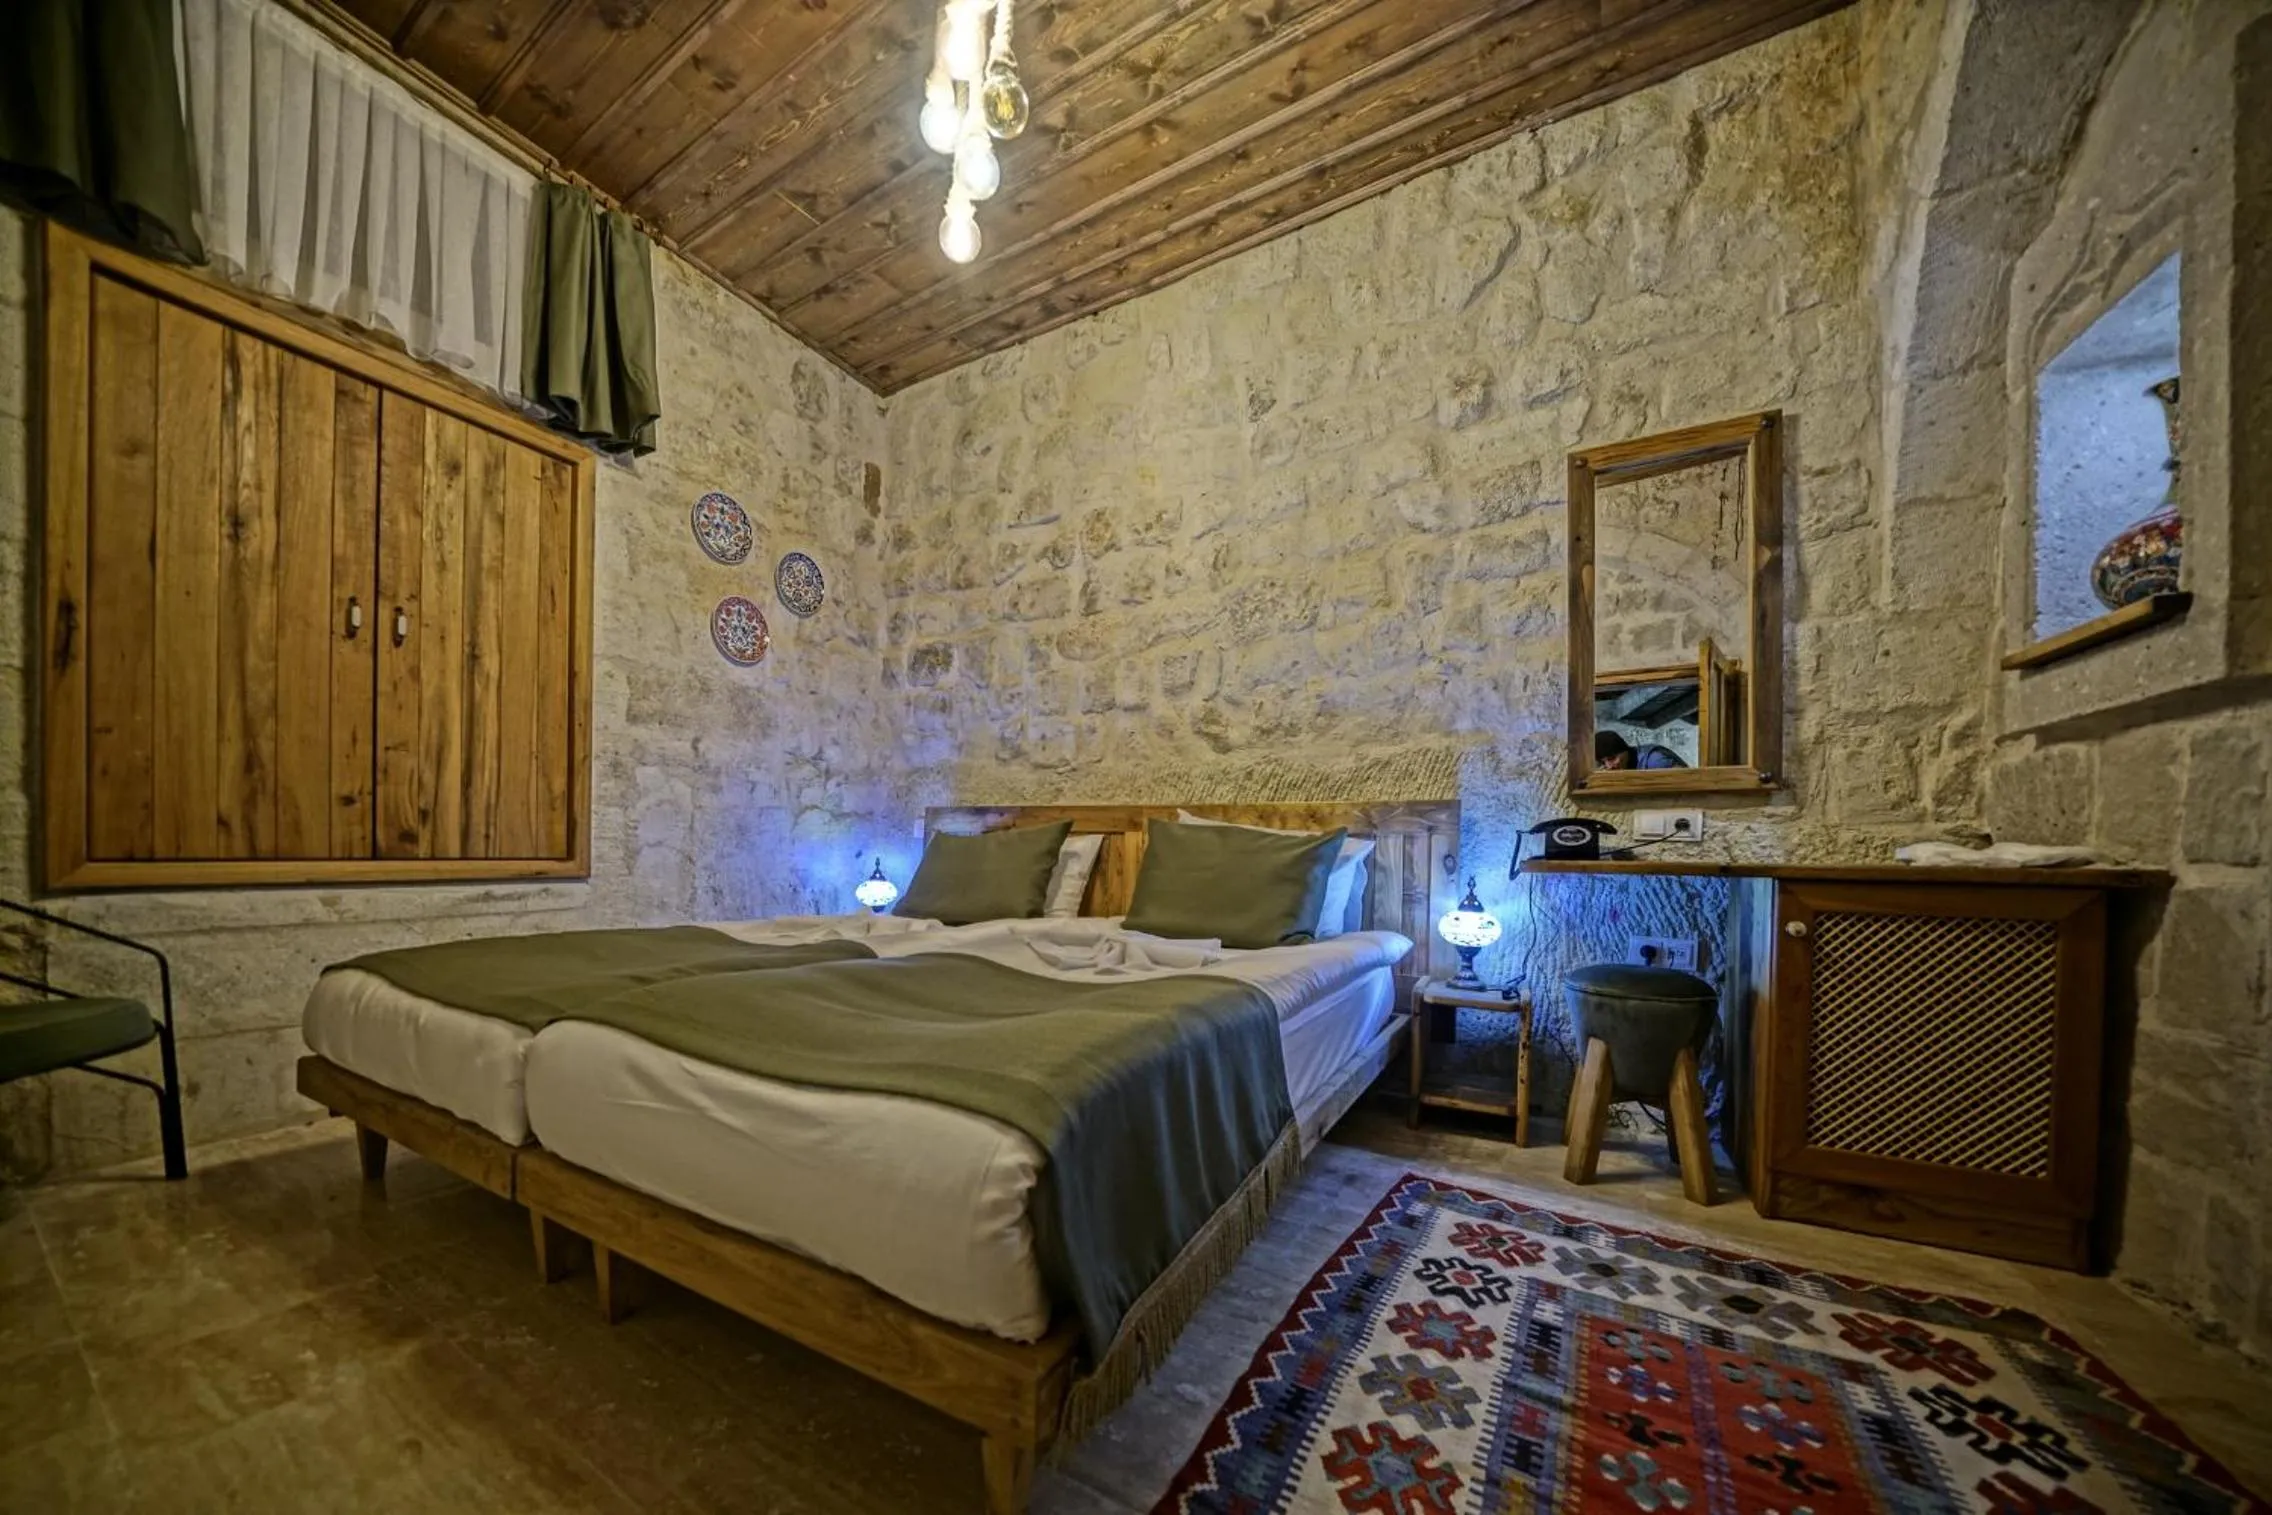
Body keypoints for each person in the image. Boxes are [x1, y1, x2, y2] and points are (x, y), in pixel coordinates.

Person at [1597, 730, 1688, 771]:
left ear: (1624, 751)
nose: (1609, 766)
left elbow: (1686, 781)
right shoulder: (1616, 768)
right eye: (1603, 762)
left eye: (1612, 758)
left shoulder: (1655, 760)